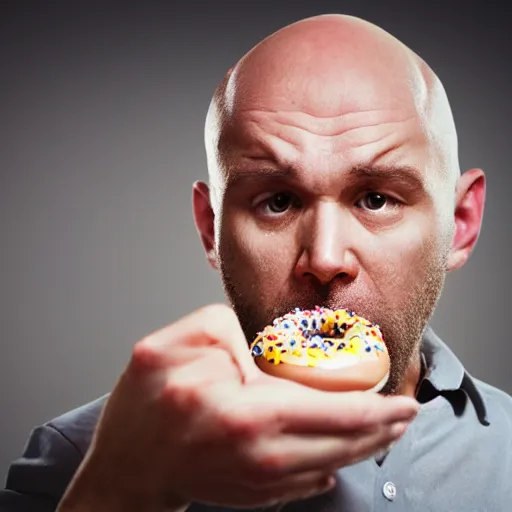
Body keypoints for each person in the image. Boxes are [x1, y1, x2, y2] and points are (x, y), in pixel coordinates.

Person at [2, 13, 511, 512]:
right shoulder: (80, 461)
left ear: (460, 223)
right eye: (278, 201)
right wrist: (121, 491)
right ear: (211, 229)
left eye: (376, 200)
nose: (326, 259)